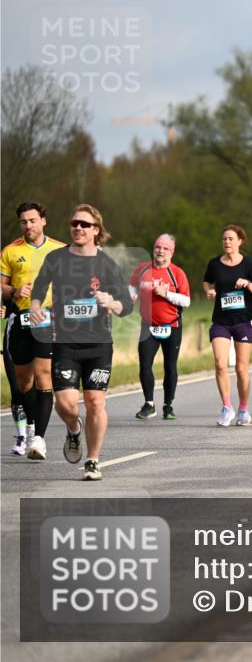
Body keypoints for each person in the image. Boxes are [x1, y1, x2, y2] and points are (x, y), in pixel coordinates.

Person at [30, 204, 133, 480]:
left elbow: (127, 305)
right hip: (64, 342)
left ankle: (93, 460)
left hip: (99, 344)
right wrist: (35, 305)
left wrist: (112, 302)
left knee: (95, 401)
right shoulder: (56, 258)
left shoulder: (107, 264)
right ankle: (74, 429)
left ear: (96, 230)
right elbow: (39, 288)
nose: (78, 227)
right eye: (74, 223)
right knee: (65, 403)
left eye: (84, 224)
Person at [1, 201, 65, 460]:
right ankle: (33, 428)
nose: (28, 225)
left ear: (43, 221)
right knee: (23, 383)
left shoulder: (60, 250)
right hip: (19, 321)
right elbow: (1, 287)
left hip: (48, 320)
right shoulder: (10, 252)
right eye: (24, 222)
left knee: (43, 376)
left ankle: (39, 438)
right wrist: (14, 291)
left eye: (33, 220)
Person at [203, 224, 252, 427]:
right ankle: (227, 407)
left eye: (230, 238)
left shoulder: (248, 264)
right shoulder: (214, 264)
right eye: (224, 239)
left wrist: (246, 283)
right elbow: (207, 282)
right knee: (220, 363)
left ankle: (243, 409)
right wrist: (210, 291)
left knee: (241, 368)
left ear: (240, 241)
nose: (227, 242)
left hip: (243, 321)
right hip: (221, 321)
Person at [130, 234, 191, 420]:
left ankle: (168, 405)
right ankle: (149, 404)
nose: (160, 251)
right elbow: (131, 287)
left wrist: (166, 293)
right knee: (145, 365)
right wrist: (130, 296)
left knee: (170, 367)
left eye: (165, 248)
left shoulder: (177, 273)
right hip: (148, 325)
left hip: (172, 325)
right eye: (158, 247)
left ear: (171, 252)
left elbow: (186, 301)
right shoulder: (142, 269)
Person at [2, 297, 30, 454]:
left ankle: (36, 434)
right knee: (16, 389)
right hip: (14, 335)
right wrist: (4, 311)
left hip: (42, 333)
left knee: (39, 387)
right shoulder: (7, 278)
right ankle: (21, 437)